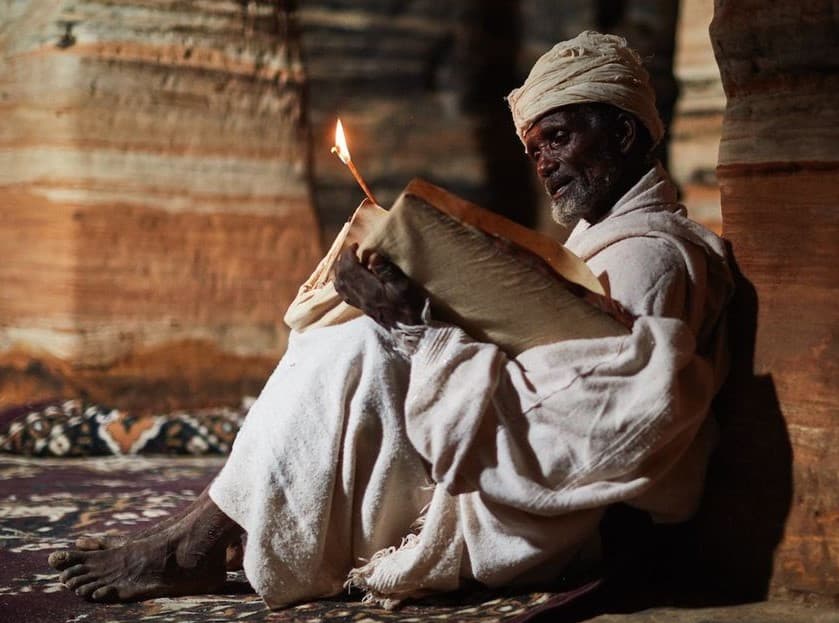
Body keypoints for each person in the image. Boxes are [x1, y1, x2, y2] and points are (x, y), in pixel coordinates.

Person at [48, 31, 732, 609]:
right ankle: (204, 528)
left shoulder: (653, 257)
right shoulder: (602, 240)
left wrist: (420, 330)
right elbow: (544, 354)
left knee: (364, 347)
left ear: (621, 128)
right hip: (482, 446)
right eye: (533, 150)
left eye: (556, 137)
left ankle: (193, 543)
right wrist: (424, 312)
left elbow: (599, 424)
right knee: (351, 329)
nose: (545, 164)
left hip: (541, 516)